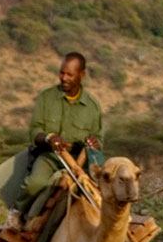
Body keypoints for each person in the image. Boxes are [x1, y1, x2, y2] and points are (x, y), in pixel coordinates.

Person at [11, 51, 105, 223]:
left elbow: (99, 138)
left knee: (103, 191)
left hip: (81, 162)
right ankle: (17, 215)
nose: (64, 78)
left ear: (82, 75)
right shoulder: (46, 97)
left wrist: (94, 143)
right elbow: (34, 131)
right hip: (50, 156)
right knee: (34, 184)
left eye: (70, 74)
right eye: (62, 72)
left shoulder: (92, 106)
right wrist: (49, 138)